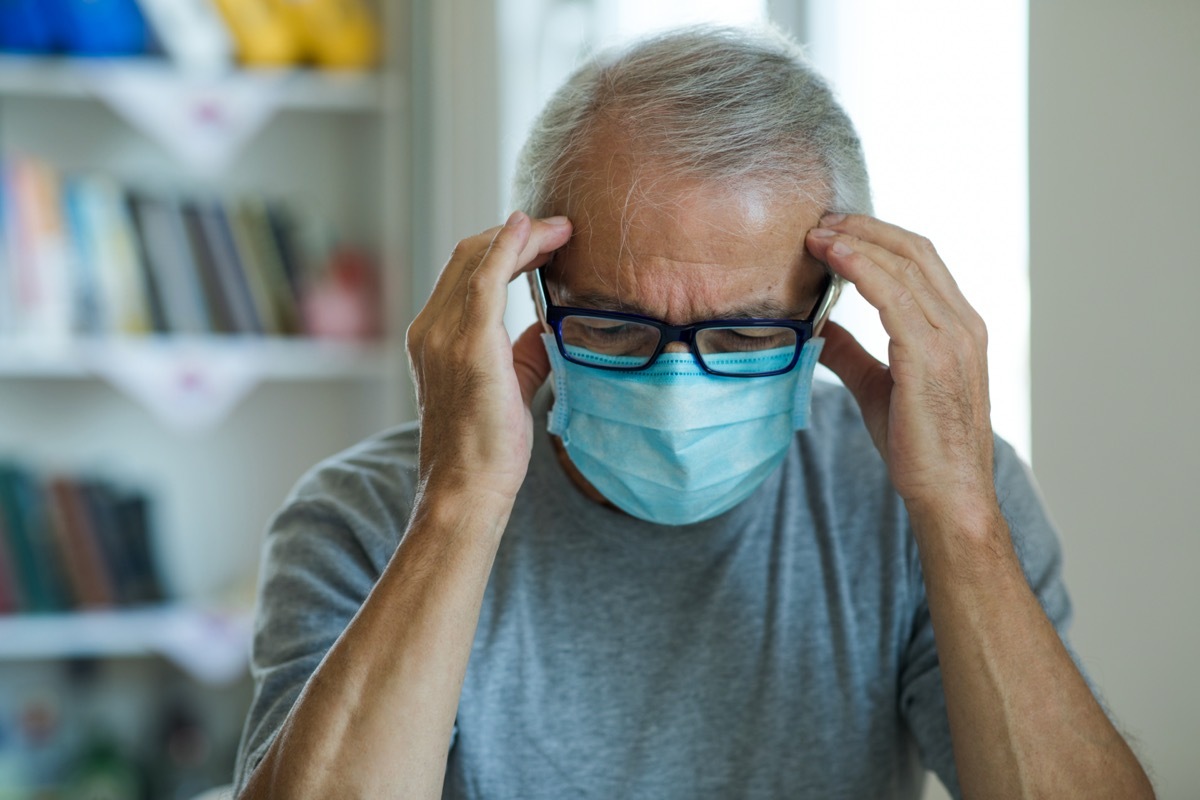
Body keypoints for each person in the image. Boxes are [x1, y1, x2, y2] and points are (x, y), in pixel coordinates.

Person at [232, 26, 1153, 800]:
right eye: (615, 327)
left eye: (747, 337)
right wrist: (456, 508)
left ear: (828, 314)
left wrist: (960, 517)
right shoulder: (362, 516)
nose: (677, 389)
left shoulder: (930, 500)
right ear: (533, 295)